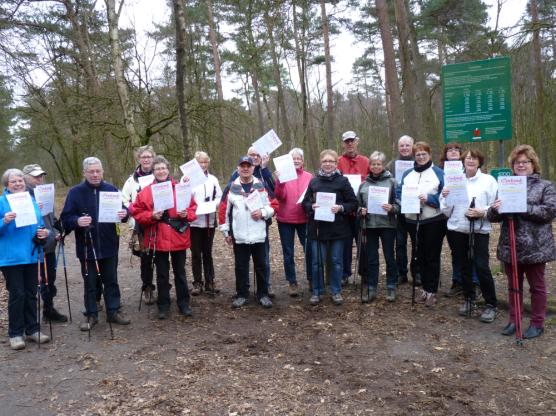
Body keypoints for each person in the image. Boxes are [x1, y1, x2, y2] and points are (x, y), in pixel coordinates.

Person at [488, 145, 556, 339]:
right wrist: (496, 209)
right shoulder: (506, 184)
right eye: (517, 162)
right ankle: (514, 319)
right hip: (511, 244)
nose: (521, 165)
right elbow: (493, 216)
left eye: (525, 162)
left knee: (537, 286)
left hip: (536, 246)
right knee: (513, 285)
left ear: (533, 164)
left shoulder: (545, 186)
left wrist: (521, 206)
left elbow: (550, 211)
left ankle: (537, 322)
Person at [61, 157, 130, 331]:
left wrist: (125, 213)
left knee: (111, 280)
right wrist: (77, 221)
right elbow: (65, 218)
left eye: (98, 171)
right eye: (91, 171)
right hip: (86, 246)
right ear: (84, 173)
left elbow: (124, 211)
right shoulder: (75, 192)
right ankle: (92, 314)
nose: (95, 174)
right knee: (90, 282)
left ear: (102, 172)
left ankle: (113, 311)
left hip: (109, 244)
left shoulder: (111, 189)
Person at [131, 156, 197, 319]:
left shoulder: (181, 188)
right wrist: (151, 215)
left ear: (168, 170)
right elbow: (137, 212)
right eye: (157, 169)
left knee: (180, 272)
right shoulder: (145, 192)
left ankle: (184, 304)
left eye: (163, 168)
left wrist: (186, 213)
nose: (161, 171)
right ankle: (163, 305)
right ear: (153, 172)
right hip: (157, 237)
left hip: (177, 236)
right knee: (161, 274)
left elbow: (193, 208)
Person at [441, 149, 498, 322]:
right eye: (467, 158)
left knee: (481, 266)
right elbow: (445, 209)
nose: (470, 161)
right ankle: (468, 299)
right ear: (462, 162)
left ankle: (490, 304)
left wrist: (482, 211)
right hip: (458, 228)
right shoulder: (454, 180)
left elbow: (496, 205)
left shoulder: (488, 181)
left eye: (474, 158)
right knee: (464, 266)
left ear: (479, 161)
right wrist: (445, 197)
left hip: (479, 229)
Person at [0, 169, 51, 350]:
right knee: (17, 294)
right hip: (11, 257)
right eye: (13, 181)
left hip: (31, 254)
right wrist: (4, 221)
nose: (18, 184)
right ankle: (15, 334)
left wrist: (45, 232)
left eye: (20, 180)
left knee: (31, 293)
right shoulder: (1, 202)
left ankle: (32, 330)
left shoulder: (31, 201)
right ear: (7, 184)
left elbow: (40, 225)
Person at [302, 150, 357, 306]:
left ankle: (336, 291)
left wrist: (340, 208)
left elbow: (353, 203)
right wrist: (311, 206)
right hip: (317, 229)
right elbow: (305, 203)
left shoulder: (343, 181)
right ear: (321, 163)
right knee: (316, 262)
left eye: (331, 161)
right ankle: (317, 291)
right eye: (325, 161)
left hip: (338, 229)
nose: (328, 164)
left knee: (336, 261)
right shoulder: (314, 181)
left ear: (336, 163)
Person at [219, 156, 275, 309]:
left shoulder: (261, 185)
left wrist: (263, 213)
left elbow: (273, 205)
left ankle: (263, 294)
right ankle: (242, 294)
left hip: (259, 235)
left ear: (252, 168)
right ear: (238, 168)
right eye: (242, 166)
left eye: (248, 166)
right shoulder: (231, 187)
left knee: (261, 266)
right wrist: (226, 232)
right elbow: (223, 211)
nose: (245, 168)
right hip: (240, 235)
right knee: (241, 266)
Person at [397, 141, 446, 307]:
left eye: (424, 154)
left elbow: (445, 196)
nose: (421, 157)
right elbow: (399, 192)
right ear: (414, 156)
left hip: (433, 220)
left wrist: (430, 200)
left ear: (429, 155)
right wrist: (406, 200)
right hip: (412, 219)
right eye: (418, 154)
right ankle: (424, 288)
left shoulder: (438, 172)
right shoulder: (407, 174)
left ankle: (432, 291)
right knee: (419, 254)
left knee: (432, 255)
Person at [23, 164, 68, 323]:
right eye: (36, 176)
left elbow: (51, 219)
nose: (40, 179)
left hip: (49, 245)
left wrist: (58, 231)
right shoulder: (22, 196)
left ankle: (48, 309)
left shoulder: (44, 193)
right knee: (35, 282)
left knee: (50, 280)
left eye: (41, 176)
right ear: (25, 177)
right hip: (32, 248)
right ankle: (29, 318)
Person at [357, 151, 399, 303]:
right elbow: (358, 205)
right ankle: (372, 287)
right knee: (371, 258)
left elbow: (400, 204)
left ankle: (391, 286)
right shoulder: (364, 184)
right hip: (369, 225)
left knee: (389, 256)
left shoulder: (392, 182)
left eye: (378, 164)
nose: (376, 166)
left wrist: (392, 208)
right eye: (373, 164)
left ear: (383, 165)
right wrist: (360, 211)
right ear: (369, 166)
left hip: (387, 225)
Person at [274, 148, 312, 297]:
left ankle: (311, 279)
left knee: (309, 250)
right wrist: (280, 182)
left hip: (305, 219)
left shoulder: (310, 177)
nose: (296, 160)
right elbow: (279, 196)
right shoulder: (283, 175)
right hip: (285, 220)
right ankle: (292, 282)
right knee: (288, 253)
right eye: (293, 158)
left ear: (303, 161)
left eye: (298, 158)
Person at [122, 145, 157, 305]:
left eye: (149, 156)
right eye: (143, 157)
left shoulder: (160, 175)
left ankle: (163, 287)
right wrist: (132, 210)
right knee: (146, 258)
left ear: (153, 158)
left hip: (159, 221)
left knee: (161, 257)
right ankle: (147, 287)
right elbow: (124, 199)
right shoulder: (132, 180)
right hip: (142, 223)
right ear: (139, 159)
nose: (146, 159)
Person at [186, 151, 222, 296]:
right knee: (195, 253)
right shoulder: (188, 179)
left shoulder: (213, 179)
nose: (203, 165)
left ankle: (210, 281)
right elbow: (184, 197)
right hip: (194, 222)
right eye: (200, 162)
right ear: (195, 163)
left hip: (209, 221)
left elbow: (219, 196)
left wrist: (213, 204)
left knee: (207, 252)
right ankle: (197, 282)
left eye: (205, 162)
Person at [337, 131, 369, 285]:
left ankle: (364, 273)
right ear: (343, 143)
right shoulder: (337, 162)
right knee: (345, 244)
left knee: (363, 243)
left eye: (352, 141)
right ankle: (345, 274)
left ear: (357, 141)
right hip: (343, 212)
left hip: (361, 211)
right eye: (347, 141)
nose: (350, 144)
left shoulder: (366, 161)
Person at [385, 135, 414, 285]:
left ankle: (417, 273)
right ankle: (402, 273)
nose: (404, 148)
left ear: (412, 146)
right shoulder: (391, 165)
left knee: (417, 243)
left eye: (407, 145)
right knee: (400, 243)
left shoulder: (418, 162)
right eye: (402, 145)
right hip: (398, 210)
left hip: (416, 210)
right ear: (398, 147)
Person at [439, 142, 465, 297]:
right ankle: (457, 281)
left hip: (462, 215)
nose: (453, 151)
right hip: (441, 214)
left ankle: (472, 282)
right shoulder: (440, 171)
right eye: (450, 150)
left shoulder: (467, 168)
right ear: (445, 153)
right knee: (455, 251)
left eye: (456, 149)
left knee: (468, 251)